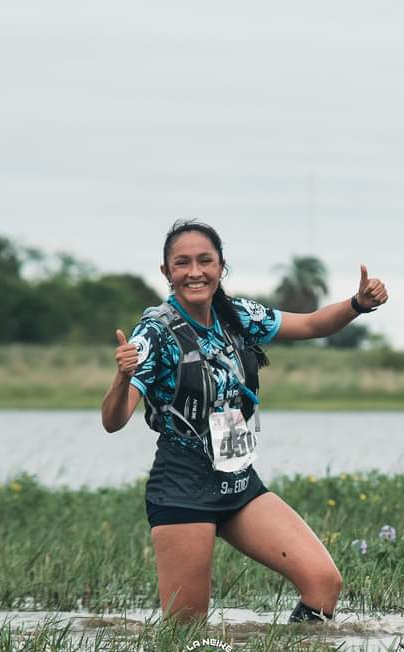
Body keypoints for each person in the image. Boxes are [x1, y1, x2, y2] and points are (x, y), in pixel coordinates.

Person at [101, 219, 389, 624]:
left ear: (221, 267)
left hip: (237, 480)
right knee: (186, 633)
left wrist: (357, 304)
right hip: (183, 489)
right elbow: (114, 420)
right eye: (182, 263)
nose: (195, 271)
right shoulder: (155, 333)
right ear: (167, 273)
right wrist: (123, 377)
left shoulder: (236, 315)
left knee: (324, 583)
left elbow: (310, 324)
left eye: (205, 260)